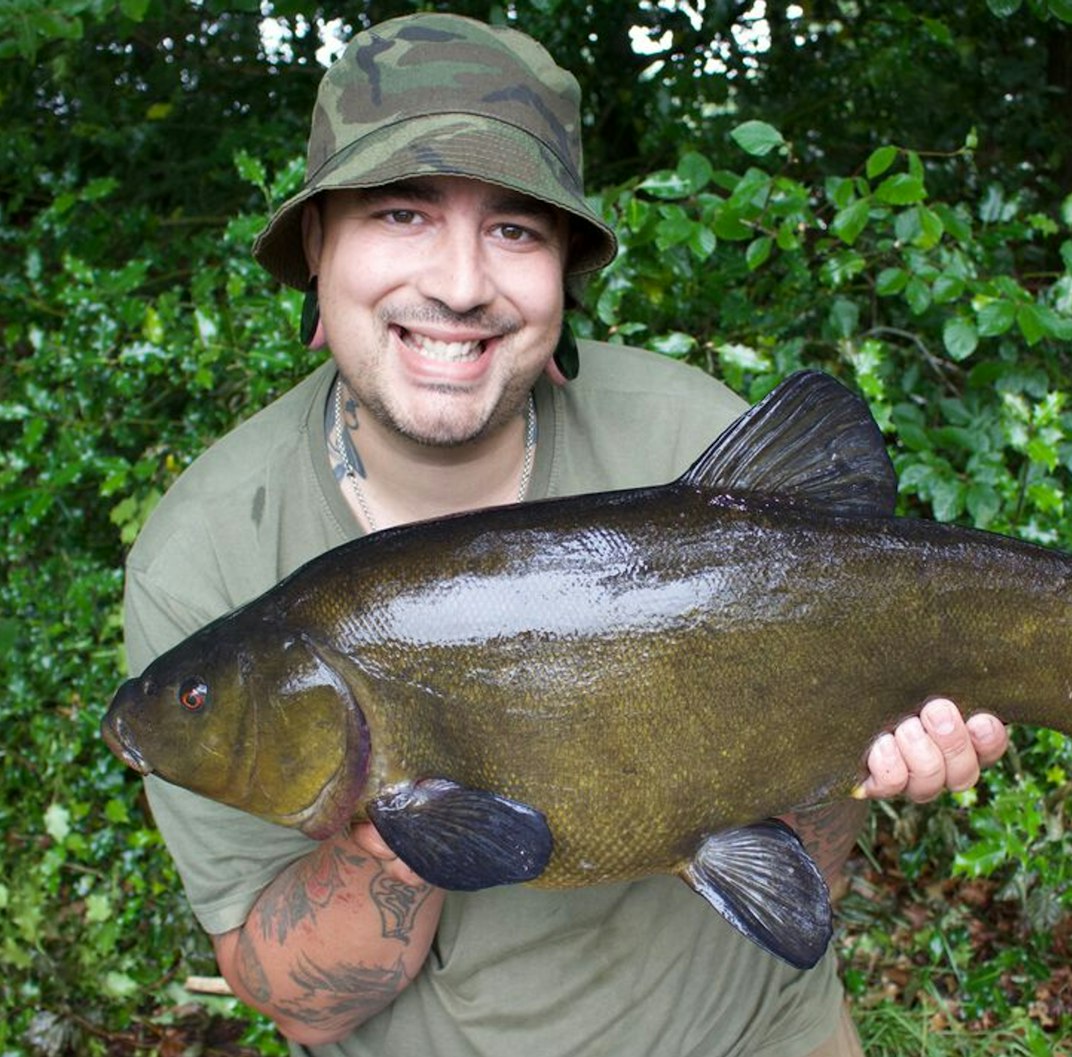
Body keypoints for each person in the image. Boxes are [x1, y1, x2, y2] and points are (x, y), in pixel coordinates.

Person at [121, 13, 1009, 1056]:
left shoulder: (688, 432)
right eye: (402, 213)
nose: (459, 282)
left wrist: (861, 747)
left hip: (759, 1031)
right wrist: (412, 812)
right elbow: (301, 1000)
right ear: (316, 247)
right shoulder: (206, 560)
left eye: (515, 229)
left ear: (564, 274)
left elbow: (794, 867)